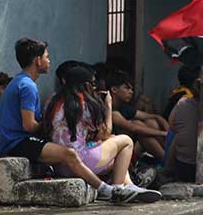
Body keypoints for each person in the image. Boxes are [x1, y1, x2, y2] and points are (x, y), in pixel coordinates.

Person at [0, 38, 139, 203]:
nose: (49, 61)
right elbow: (29, 125)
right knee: (69, 153)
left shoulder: (21, 82)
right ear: (37, 60)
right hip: (17, 142)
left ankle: (125, 186)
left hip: (12, 140)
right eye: (47, 57)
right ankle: (106, 190)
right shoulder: (28, 86)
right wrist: (55, 121)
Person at [44, 66, 160, 203]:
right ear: (86, 85)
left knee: (112, 147)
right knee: (126, 141)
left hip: (59, 165)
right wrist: (108, 106)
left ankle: (129, 185)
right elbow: (104, 133)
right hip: (80, 162)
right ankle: (118, 189)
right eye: (93, 84)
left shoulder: (52, 101)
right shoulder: (84, 103)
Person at [106, 70, 169, 162]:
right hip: (112, 148)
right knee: (139, 126)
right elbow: (133, 128)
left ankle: (169, 155)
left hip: (128, 144)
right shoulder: (110, 110)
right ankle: (166, 161)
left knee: (151, 122)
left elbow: (154, 117)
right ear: (114, 89)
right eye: (126, 88)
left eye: (131, 89)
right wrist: (163, 133)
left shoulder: (123, 107)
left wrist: (170, 134)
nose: (131, 92)